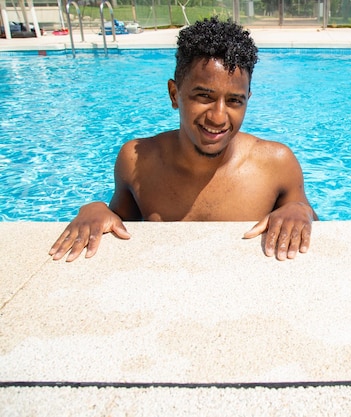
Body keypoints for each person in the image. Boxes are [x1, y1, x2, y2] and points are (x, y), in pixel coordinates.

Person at [49, 17, 317, 262]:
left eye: (235, 101)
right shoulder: (136, 161)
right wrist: (96, 209)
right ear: (175, 94)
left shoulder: (276, 163)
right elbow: (121, 222)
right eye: (204, 96)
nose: (218, 117)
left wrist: (300, 210)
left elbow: (313, 221)